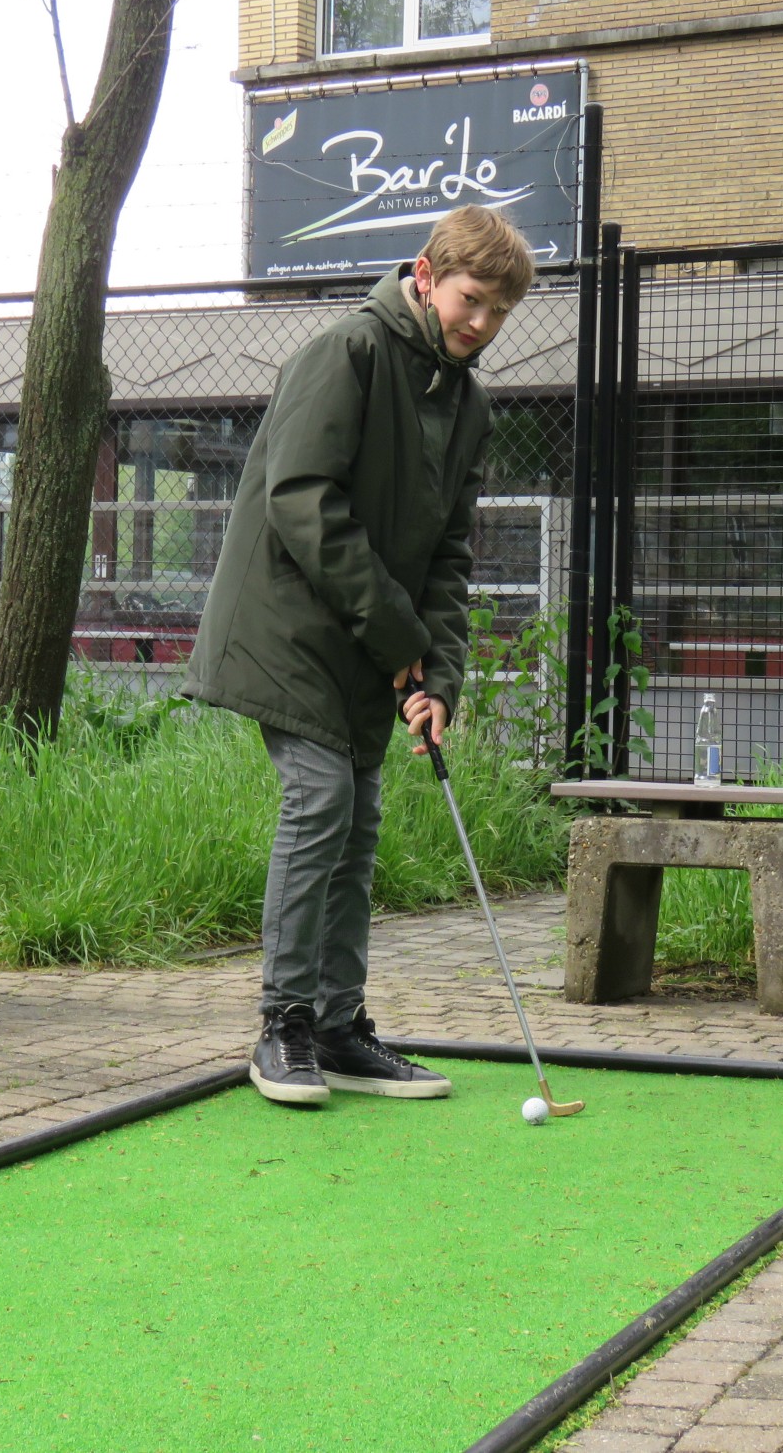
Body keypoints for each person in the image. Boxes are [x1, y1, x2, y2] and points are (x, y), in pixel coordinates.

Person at [185, 205, 537, 1106]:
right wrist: (399, 640)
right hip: (285, 627)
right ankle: (283, 1027)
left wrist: (439, 678)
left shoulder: (467, 404)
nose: (482, 324)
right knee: (323, 800)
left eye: (500, 312)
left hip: (364, 642)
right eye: (471, 300)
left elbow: (451, 556)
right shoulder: (348, 353)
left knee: (361, 819)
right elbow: (302, 501)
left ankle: (340, 1028)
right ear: (425, 274)